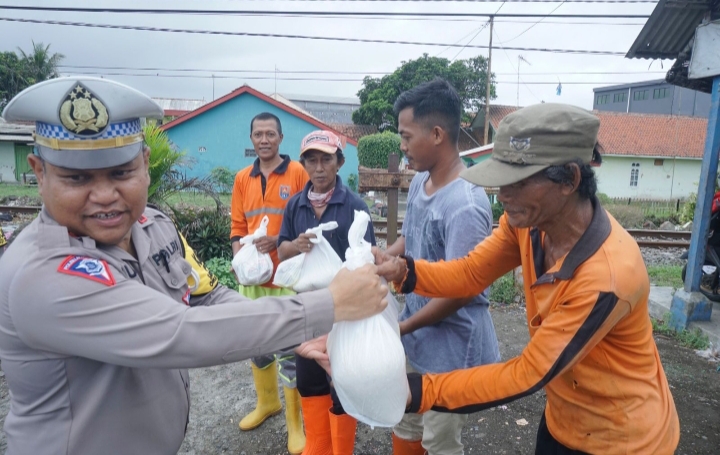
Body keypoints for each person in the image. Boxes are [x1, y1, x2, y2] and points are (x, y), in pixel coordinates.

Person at [0, 76, 388, 455]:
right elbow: (182, 333)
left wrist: (298, 336)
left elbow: (207, 296)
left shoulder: (152, 227)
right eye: (76, 178)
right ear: (39, 172)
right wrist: (328, 306)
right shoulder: (42, 274)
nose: (103, 195)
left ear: (144, 164)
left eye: (121, 172)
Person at [376, 103, 680, 454]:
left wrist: (416, 391)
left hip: (625, 438)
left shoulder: (607, 276)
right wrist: (406, 272)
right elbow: (472, 272)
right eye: (502, 179)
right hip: (564, 420)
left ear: (570, 180)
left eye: (519, 182)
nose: (503, 195)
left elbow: (528, 372)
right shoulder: (529, 223)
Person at [382, 78, 500, 455]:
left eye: (406, 136)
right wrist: (384, 258)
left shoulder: (465, 205)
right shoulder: (421, 181)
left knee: (439, 439)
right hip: (417, 331)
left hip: (451, 347)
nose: (402, 146)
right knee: (404, 415)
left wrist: (402, 327)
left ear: (436, 134)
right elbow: (410, 237)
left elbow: (461, 293)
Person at [277, 130, 376, 455]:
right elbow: (282, 250)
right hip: (308, 311)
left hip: (345, 313)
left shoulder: (354, 207)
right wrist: (297, 245)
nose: (319, 168)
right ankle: (318, 446)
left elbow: (368, 261)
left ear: (340, 163)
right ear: (303, 164)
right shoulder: (296, 205)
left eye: (326, 160)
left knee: (342, 382)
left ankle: (341, 450)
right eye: (312, 160)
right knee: (309, 380)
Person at [230, 112, 310, 453]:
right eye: (258, 134)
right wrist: (239, 261)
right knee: (257, 346)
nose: (264, 140)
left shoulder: (298, 173)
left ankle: (295, 421)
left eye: (270, 134)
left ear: (280, 138)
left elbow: (306, 220)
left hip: (288, 276)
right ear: (251, 138)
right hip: (253, 279)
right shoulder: (241, 178)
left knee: (290, 350)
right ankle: (267, 403)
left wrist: (277, 241)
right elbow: (237, 227)